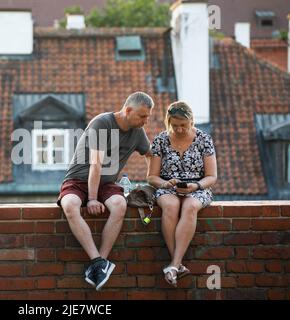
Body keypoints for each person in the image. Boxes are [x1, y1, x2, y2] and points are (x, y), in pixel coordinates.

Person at [56, 92, 154, 291]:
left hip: (107, 184)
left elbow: (151, 154)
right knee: (70, 206)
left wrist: (153, 178)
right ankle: (97, 261)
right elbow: (96, 164)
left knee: (119, 205)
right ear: (128, 110)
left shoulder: (137, 131)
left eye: (147, 116)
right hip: (78, 180)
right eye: (142, 116)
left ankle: (100, 262)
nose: (146, 121)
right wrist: (92, 199)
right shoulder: (102, 123)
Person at [147, 101, 217, 287]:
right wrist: (165, 183)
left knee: (191, 206)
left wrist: (196, 185)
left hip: (198, 188)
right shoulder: (160, 140)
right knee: (171, 206)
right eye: (174, 125)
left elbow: (212, 177)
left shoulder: (204, 139)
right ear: (168, 122)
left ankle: (174, 264)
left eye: (183, 126)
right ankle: (176, 264)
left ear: (192, 121)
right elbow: (151, 177)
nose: (178, 129)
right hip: (167, 187)